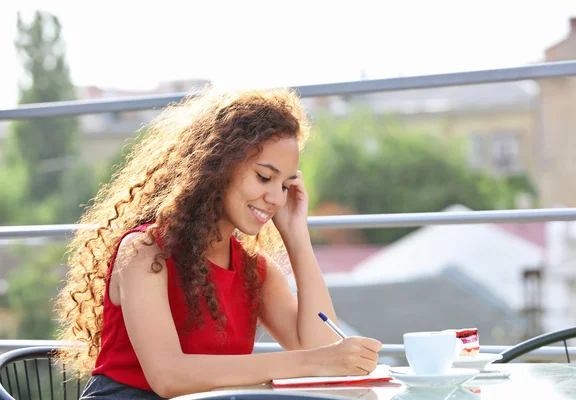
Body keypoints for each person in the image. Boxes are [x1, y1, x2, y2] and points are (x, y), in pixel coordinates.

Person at [55, 86, 382, 399]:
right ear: (217, 165)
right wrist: (315, 361)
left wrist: (297, 237)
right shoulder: (144, 251)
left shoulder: (255, 271)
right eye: (265, 177)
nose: (275, 197)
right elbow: (169, 377)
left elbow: (321, 350)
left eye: (285, 185)